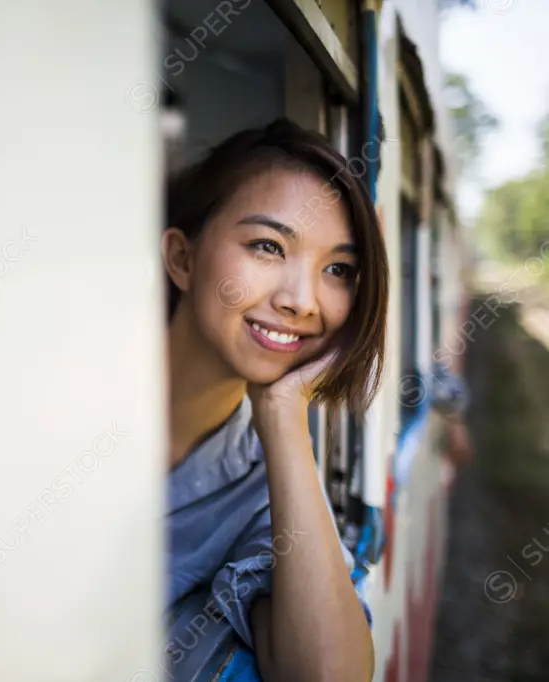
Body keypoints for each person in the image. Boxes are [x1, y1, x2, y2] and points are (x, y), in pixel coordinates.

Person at [162, 119, 388, 681]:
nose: (301, 301)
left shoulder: (263, 487)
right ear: (183, 259)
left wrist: (285, 412)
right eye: (268, 246)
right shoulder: (55, 386)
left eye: (338, 270)